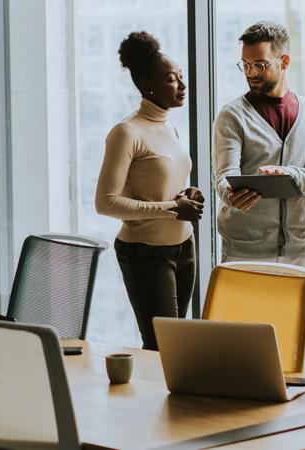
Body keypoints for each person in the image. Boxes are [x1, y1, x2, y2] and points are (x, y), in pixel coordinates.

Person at [95, 31, 203, 351]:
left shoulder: (169, 125)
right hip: (145, 253)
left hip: (184, 246)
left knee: (174, 344)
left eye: (181, 76)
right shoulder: (126, 132)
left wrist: (187, 195)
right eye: (172, 79)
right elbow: (106, 202)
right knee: (161, 346)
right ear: (146, 86)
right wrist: (171, 207)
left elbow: (163, 182)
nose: (182, 85)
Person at [212, 21, 305, 268]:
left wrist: (286, 175)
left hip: (298, 250)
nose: (251, 73)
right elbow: (225, 176)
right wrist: (230, 195)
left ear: (284, 62)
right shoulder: (232, 115)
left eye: (260, 65)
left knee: (293, 310)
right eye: (245, 65)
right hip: (244, 250)